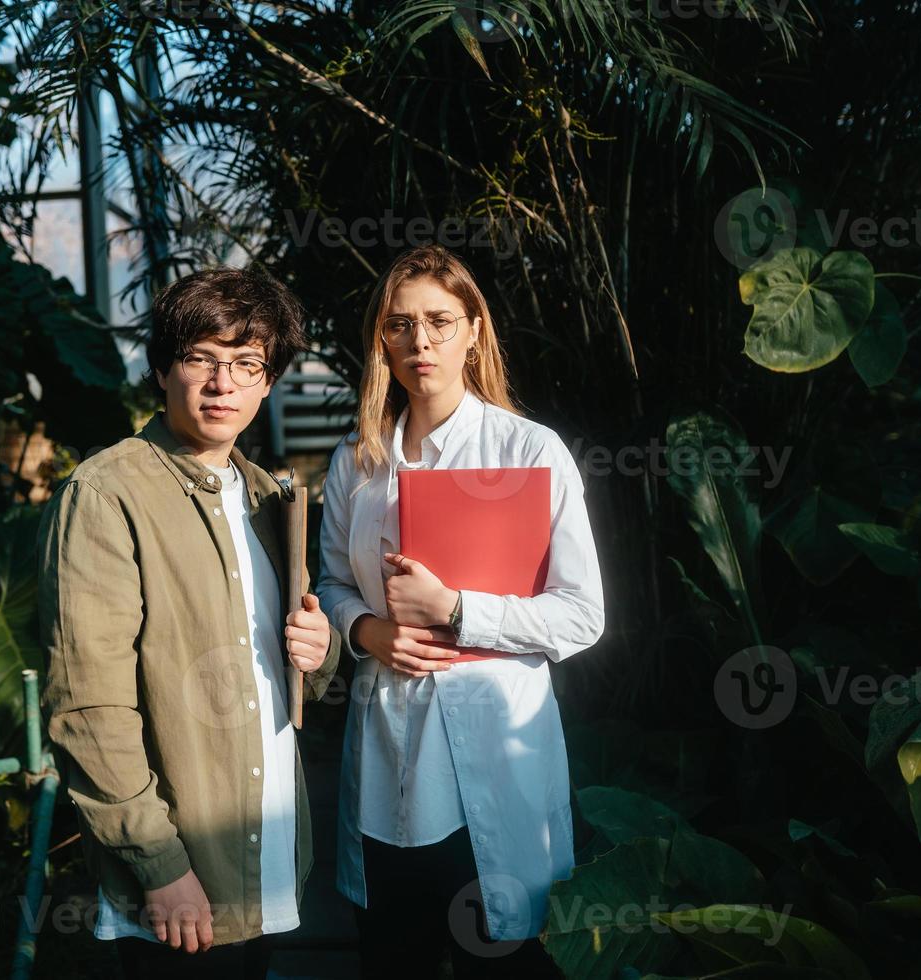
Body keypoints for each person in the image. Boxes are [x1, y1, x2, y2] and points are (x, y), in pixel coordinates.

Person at [39, 267, 341, 980]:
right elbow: (87, 705)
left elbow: (300, 681)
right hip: (181, 880)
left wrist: (320, 650)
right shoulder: (107, 494)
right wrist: (160, 863)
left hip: (264, 859)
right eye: (202, 358)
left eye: (246, 364)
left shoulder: (270, 497)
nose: (222, 383)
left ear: (269, 381)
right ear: (164, 368)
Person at [315, 245, 604, 979]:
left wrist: (458, 609)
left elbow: (581, 615)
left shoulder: (530, 453)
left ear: (475, 330)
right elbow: (330, 582)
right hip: (389, 768)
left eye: (441, 322)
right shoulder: (357, 462)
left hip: (491, 757)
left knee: (503, 963)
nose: (422, 343)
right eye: (401, 325)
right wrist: (367, 629)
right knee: (393, 958)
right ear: (382, 339)